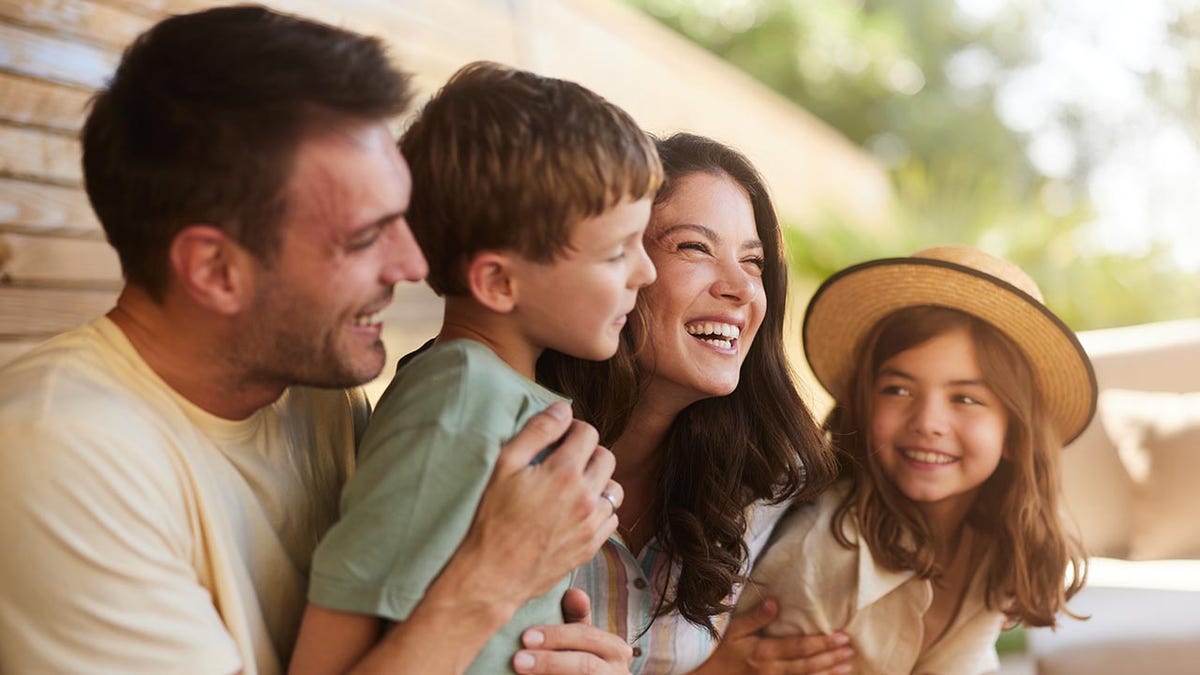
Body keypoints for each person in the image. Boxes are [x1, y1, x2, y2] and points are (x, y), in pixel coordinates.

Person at [0, 7, 628, 674]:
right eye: (365, 236)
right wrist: (490, 584)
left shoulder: (315, 399)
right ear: (217, 270)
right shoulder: (58, 454)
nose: (414, 265)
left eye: (403, 218)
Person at [290, 61, 660, 674]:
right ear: (497, 281)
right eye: (617, 251)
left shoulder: (498, 397)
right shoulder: (458, 400)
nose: (644, 272)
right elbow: (328, 653)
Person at [538, 132, 854, 674]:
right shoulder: (508, 441)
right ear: (614, 262)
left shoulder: (764, 476)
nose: (741, 288)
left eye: (753, 262)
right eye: (694, 247)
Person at [740, 245, 1094, 674]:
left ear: (1015, 435)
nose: (928, 422)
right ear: (864, 405)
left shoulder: (996, 548)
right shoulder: (822, 551)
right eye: (898, 390)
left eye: (965, 398)